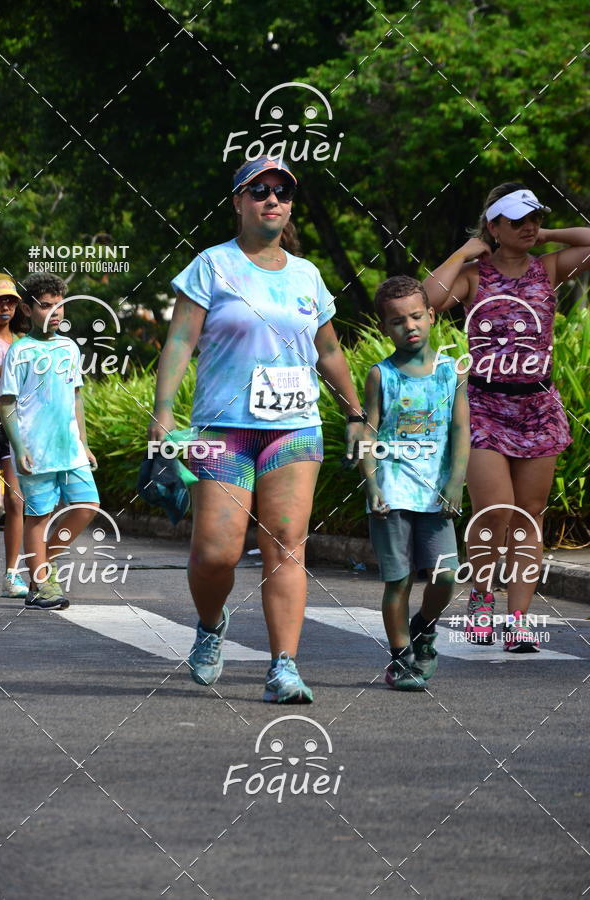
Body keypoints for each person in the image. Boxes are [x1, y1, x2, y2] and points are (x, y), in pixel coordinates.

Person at [149, 156, 364, 704]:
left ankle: (284, 667)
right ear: (238, 203)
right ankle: (211, 623)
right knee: (216, 554)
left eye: (282, 192)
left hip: (294, 429)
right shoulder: (211, 266)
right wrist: (164, 413)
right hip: (223, 430)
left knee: (287, 545)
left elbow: (330, 350)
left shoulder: (307, 274)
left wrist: (356, 414)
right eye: (259, 190)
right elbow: (178, 342)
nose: (273, 199)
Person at [424, 183, 589, 651]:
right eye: (516, 221)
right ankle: (480, 597)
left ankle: (518, 620)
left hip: (538, 406)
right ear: (493, 226)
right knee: (494, 513)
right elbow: (427, 302)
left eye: (533, 218)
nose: (529, 226)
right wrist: (465, 250)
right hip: (484, 406)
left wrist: (546, 234)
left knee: (529, 516)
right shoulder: (475, 274)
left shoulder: (549, 267)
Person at [360, 275, 469, 690]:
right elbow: (369, 434)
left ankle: (424, 626)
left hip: (436, 493)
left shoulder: (450, 371)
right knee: (399, 579)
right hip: (391, 491)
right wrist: (372, 486)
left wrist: (457, 483)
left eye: (417, 316)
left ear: (432, 315)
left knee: (445, 575)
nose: (410, 326)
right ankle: (401, 658)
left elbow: (461, 431)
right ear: (385, 326)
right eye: (398, 320)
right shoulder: (381, 375)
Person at [0, 273, 100, 610]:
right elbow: (7, 403)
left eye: (60, 305)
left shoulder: (69, 347)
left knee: (88, 506)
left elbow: (77, 397)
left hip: (69, 447)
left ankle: (42, 567)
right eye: (46, 306)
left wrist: (83, 443)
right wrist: (20, 448)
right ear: (26, 310)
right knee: (38, 517)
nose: (55, 312)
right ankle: (41, 584)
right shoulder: (20, 351)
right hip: (34, 449)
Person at [0, 274, 27, 598]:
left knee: (17, 501)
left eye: (10, 300)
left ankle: (11, 575)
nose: (5, 306)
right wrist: (8, 365)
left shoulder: (21, 343)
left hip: (12, 426)